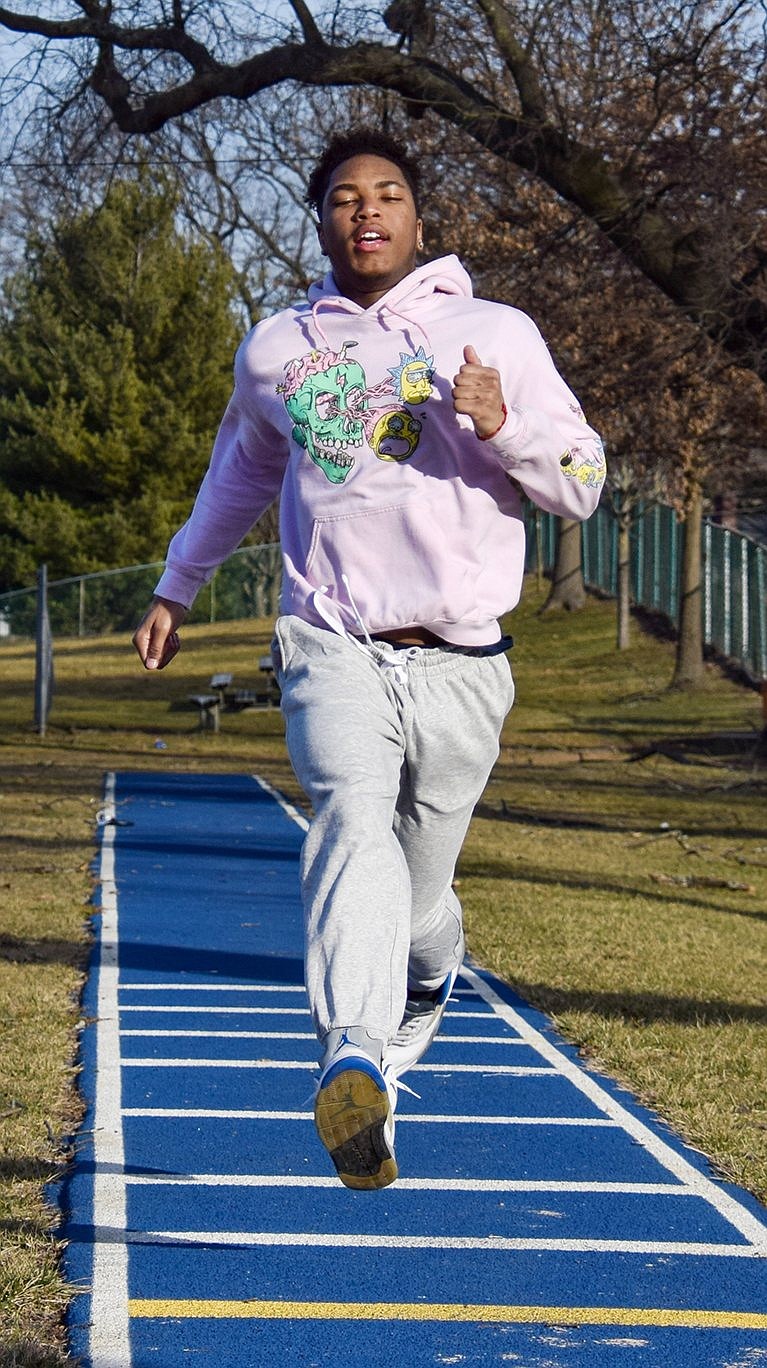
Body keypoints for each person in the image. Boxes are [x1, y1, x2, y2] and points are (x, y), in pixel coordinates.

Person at [132, 127, 606, 1191]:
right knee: (350, 819)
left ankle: (428, 978)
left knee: (422, 890)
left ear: (417, 216)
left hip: (460, 661)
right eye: (344, 198)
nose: (366, 212)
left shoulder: (494, 332)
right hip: (330, 640)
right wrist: (177, 583)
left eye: (386, 193)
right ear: (323, 221)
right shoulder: (279, 349)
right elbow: (237, 479)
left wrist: (503, 428)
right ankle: (354, 1048)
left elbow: (580, 475)